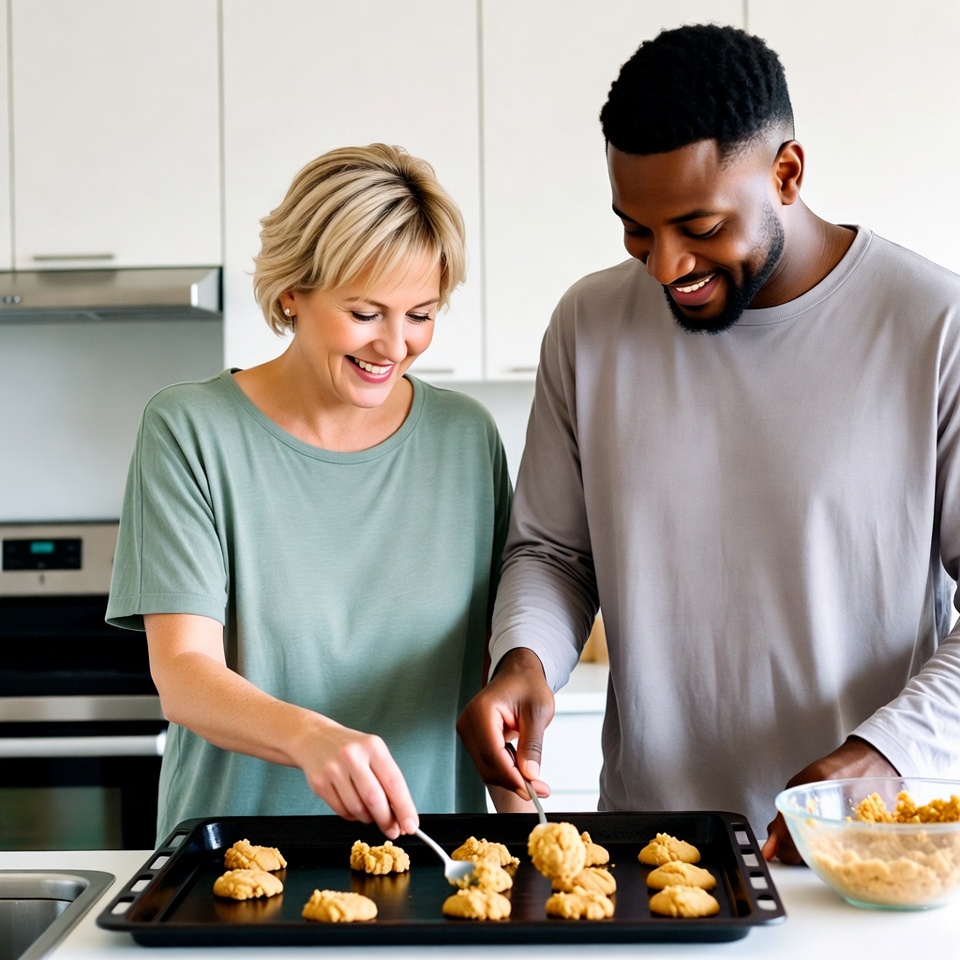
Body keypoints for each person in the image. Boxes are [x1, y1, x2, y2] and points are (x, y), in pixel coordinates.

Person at [456, 23, 960, 863]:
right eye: (635, 231)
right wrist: (525, 658)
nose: (663, 267)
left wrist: (888, 755)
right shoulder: (588, 326)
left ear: (787, 174)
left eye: (698, 225)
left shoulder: (934, 328)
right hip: (645, 851)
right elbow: (551, 552)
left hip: (860, 852)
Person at [107, 143, 512, 844]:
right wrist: (309, 736)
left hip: (435, 864)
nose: (395, 343)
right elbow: (183, 672)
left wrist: (523, 839)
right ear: (293, 290)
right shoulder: (191, 430)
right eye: (365, 312)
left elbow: (486, 665)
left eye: (421, 312)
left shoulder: (465, 438)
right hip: (234, 866)